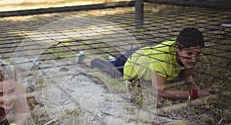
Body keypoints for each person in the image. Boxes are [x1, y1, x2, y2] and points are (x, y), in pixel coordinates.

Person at [77, 27, 213, 100]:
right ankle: (83, 58)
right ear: (177, 48)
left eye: (197, 54)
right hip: (131, 63)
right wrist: (195, 93)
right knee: (112, 71)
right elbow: (160, 92)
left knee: (119, 61)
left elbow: (186, 71)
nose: (194, 59)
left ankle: (116, 58)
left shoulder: (182, 47)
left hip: (142, 53)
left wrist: (193, 84)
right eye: (189, 54)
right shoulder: (162, 59)